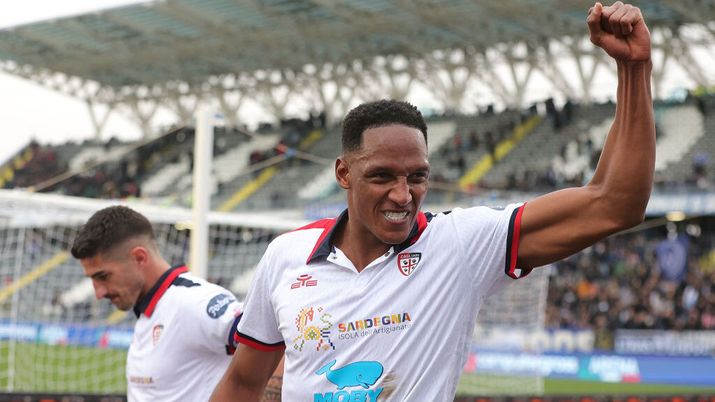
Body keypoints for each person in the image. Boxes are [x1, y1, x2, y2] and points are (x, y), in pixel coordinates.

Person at [211, 2, 654, 401]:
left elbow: (614, 204)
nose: (403, 196)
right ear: (343, 174)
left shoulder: (461, 245)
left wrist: (634, 70)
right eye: (382, 176)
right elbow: (244, 383)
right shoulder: (287, 256)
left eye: (417, 177)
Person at [70, 205, 283, 402]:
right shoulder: (152, 310)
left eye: (103, 276)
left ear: (139, 257)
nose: (98, 292)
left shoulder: (193, 302)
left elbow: (274, 336)